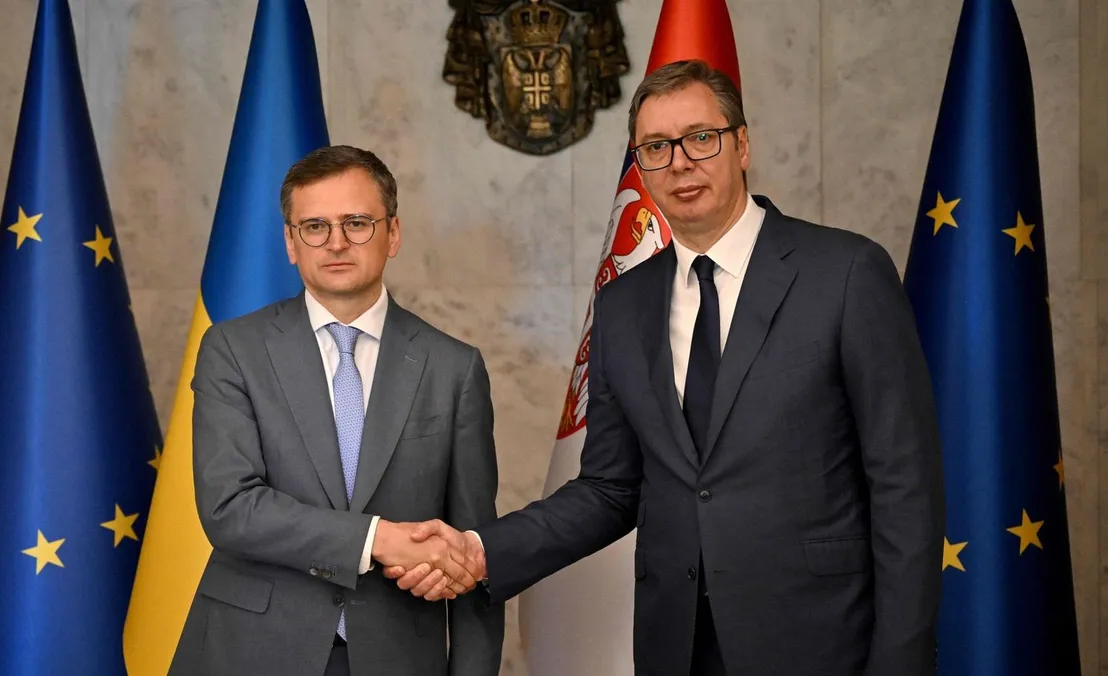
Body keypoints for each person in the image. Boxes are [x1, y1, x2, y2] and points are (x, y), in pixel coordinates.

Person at [388, 60, 945, 676]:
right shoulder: (623, 306)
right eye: (656, 147)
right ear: (640, 165)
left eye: (700, 138)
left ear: (742, 145)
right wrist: (479, 550)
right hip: (675, 645)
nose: (679, 162)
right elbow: (609, 488)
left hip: (821, 641)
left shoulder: (845, 273)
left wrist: (902, 660)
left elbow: (905, 486)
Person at [169, 145, 503, 676]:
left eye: (357, 223)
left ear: (393, 233)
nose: (336, 242)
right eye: (315, 227)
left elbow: (472, 550)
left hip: (398, 657)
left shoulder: (453, 368)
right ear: (290, 242)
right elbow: (230, 507)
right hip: (252, 651)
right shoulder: (233, 350)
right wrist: (379, 539)